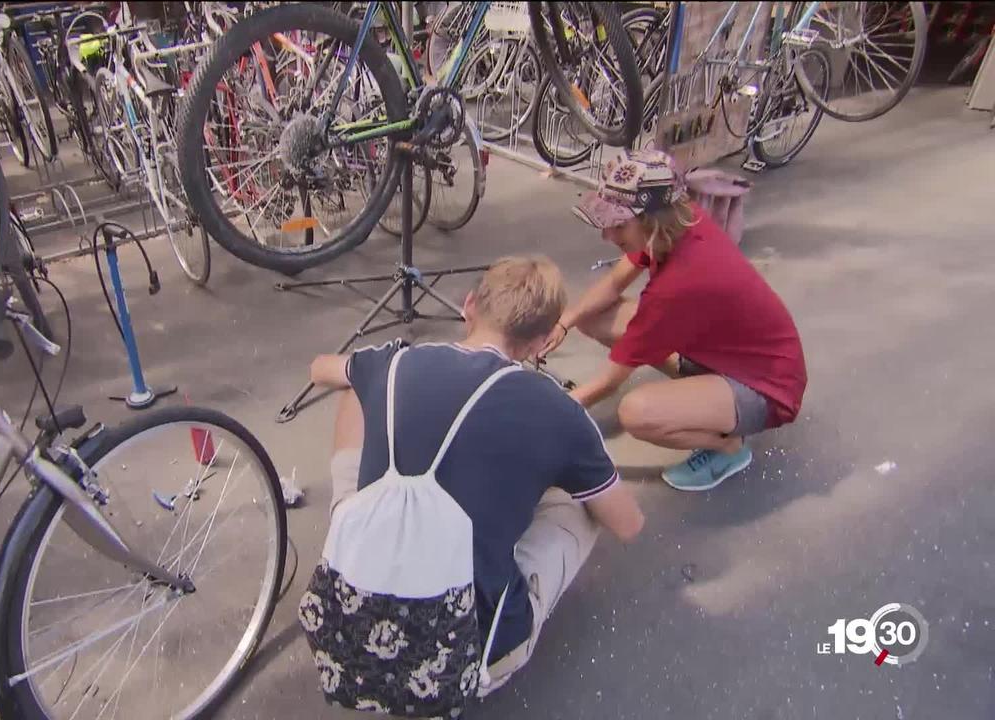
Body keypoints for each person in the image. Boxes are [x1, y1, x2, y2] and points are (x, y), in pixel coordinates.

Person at [309, 256, 644, 695]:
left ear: (469, 305)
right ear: (541, 342)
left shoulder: (393, 362)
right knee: (581, 501)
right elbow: (629, 523)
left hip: (343, 638)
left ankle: (349, 537)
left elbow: (320, 368)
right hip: (460, 666)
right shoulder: (557, 409)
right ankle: (499, 623)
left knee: (357, 388)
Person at [540, 149, 807, 491]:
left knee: (637, 413)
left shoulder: (678, 285)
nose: (607, 236)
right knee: (593, 317)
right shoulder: (677, 222)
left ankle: (729, 448)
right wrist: (567, 319)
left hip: (768, 388)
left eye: (619, 225)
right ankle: (704, 402)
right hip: (730, 355)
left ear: (651, 220)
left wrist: (541, 415)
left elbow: (608, 382)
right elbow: (613, 283)